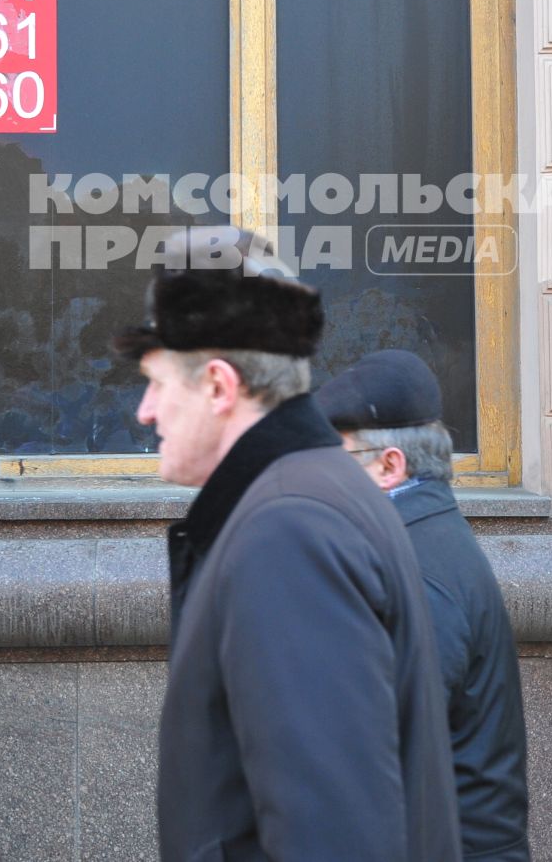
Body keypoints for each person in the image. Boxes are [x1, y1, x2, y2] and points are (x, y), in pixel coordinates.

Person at [116, 227, 458, 862]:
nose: (145, 411)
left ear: (218, 386)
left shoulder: (287, 528)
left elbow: (334, 835)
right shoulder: (309, 496)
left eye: (157, 383)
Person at [318, 349, 531, 862]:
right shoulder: (423, 537)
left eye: (336, 458)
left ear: (390, 466)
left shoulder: (410, 566)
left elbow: (386, 752)